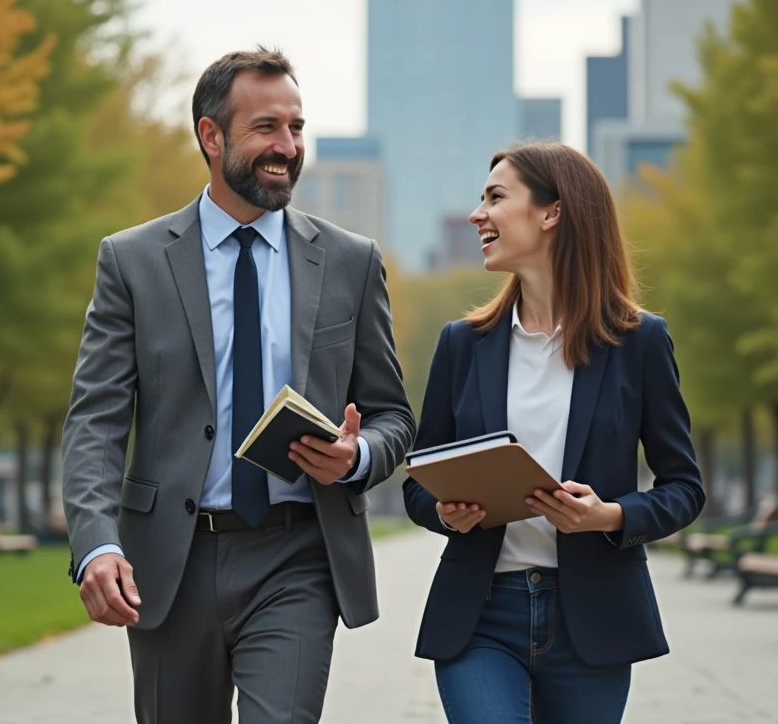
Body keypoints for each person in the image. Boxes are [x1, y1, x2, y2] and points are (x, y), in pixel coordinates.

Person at [61, 46, 415, 724]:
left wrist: (358, 456)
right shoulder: (131, 262)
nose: (287, 146)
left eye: (297, 127)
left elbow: (393, 415)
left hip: (299, 556)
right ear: (211, 135)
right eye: (267, 128)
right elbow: (95, 422)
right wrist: (97, 544)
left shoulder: (351, 262)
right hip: (172, 561)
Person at [402, 141, 705, 723]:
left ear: (552, 212)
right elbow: (419, 483)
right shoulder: (461, 345)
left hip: (592, 621)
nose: (477, 214)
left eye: (495, 197)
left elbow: (684, 488)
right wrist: (445, 513)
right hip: (480, 618)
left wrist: (609, 516)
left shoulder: (639, 342)